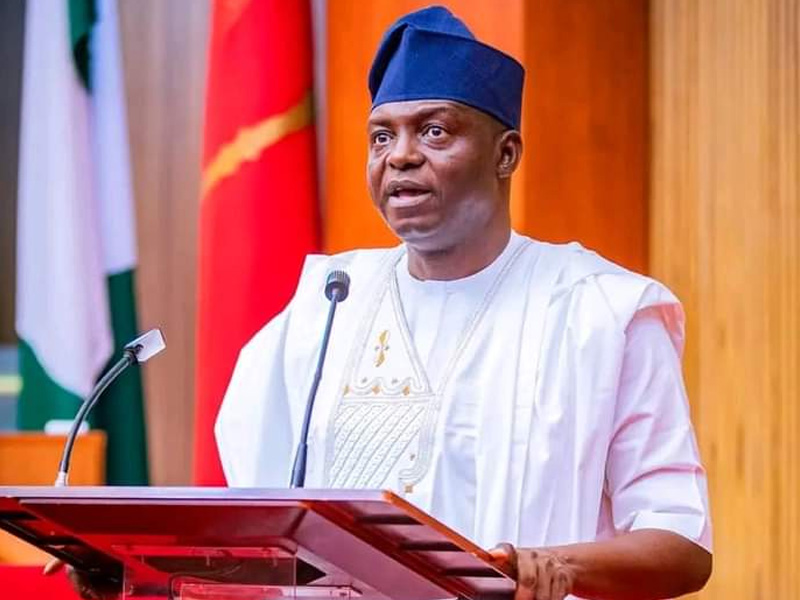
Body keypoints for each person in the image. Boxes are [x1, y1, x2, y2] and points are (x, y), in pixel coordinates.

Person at [53, 6, 711, 600]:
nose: (400, 157)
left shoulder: (602, 313)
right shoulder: (324, 308)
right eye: (380, 137)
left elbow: (682, 547)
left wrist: (558, 565)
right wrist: (144, 571)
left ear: (505, 153)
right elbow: (265, 539)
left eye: (434, 132)